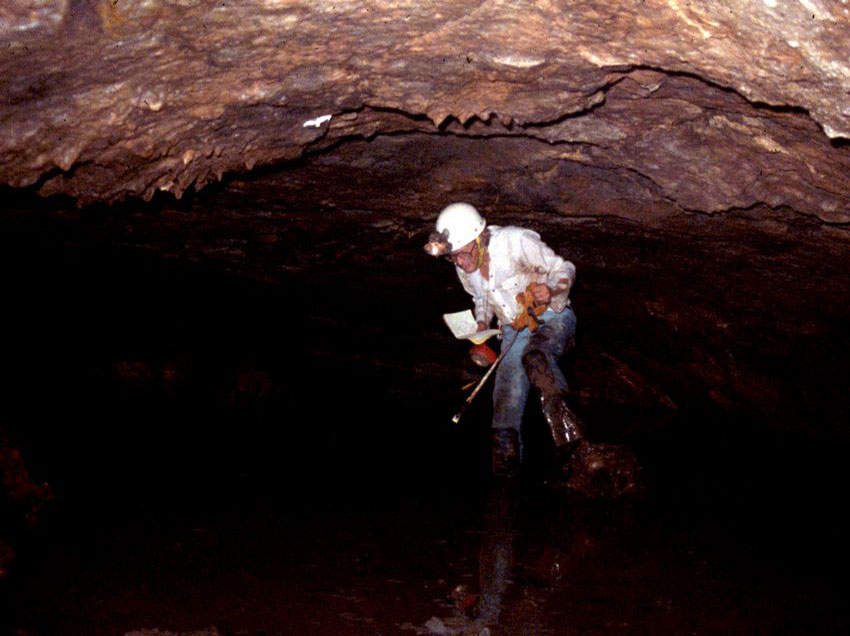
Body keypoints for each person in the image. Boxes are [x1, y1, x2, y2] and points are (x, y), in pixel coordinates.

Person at [425, 202, 584, 477]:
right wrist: (483, 321)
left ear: (479, 239)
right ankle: (504, 486)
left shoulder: (515, 241)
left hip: (553, 318)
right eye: (454, 258)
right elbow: (481, 297)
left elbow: (564, 269)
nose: (461, 263)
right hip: (514, 330)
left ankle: (577, 449)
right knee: (504, 409)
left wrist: (550, 289)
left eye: (463, 255)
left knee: (536, 358)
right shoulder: (463, 262)